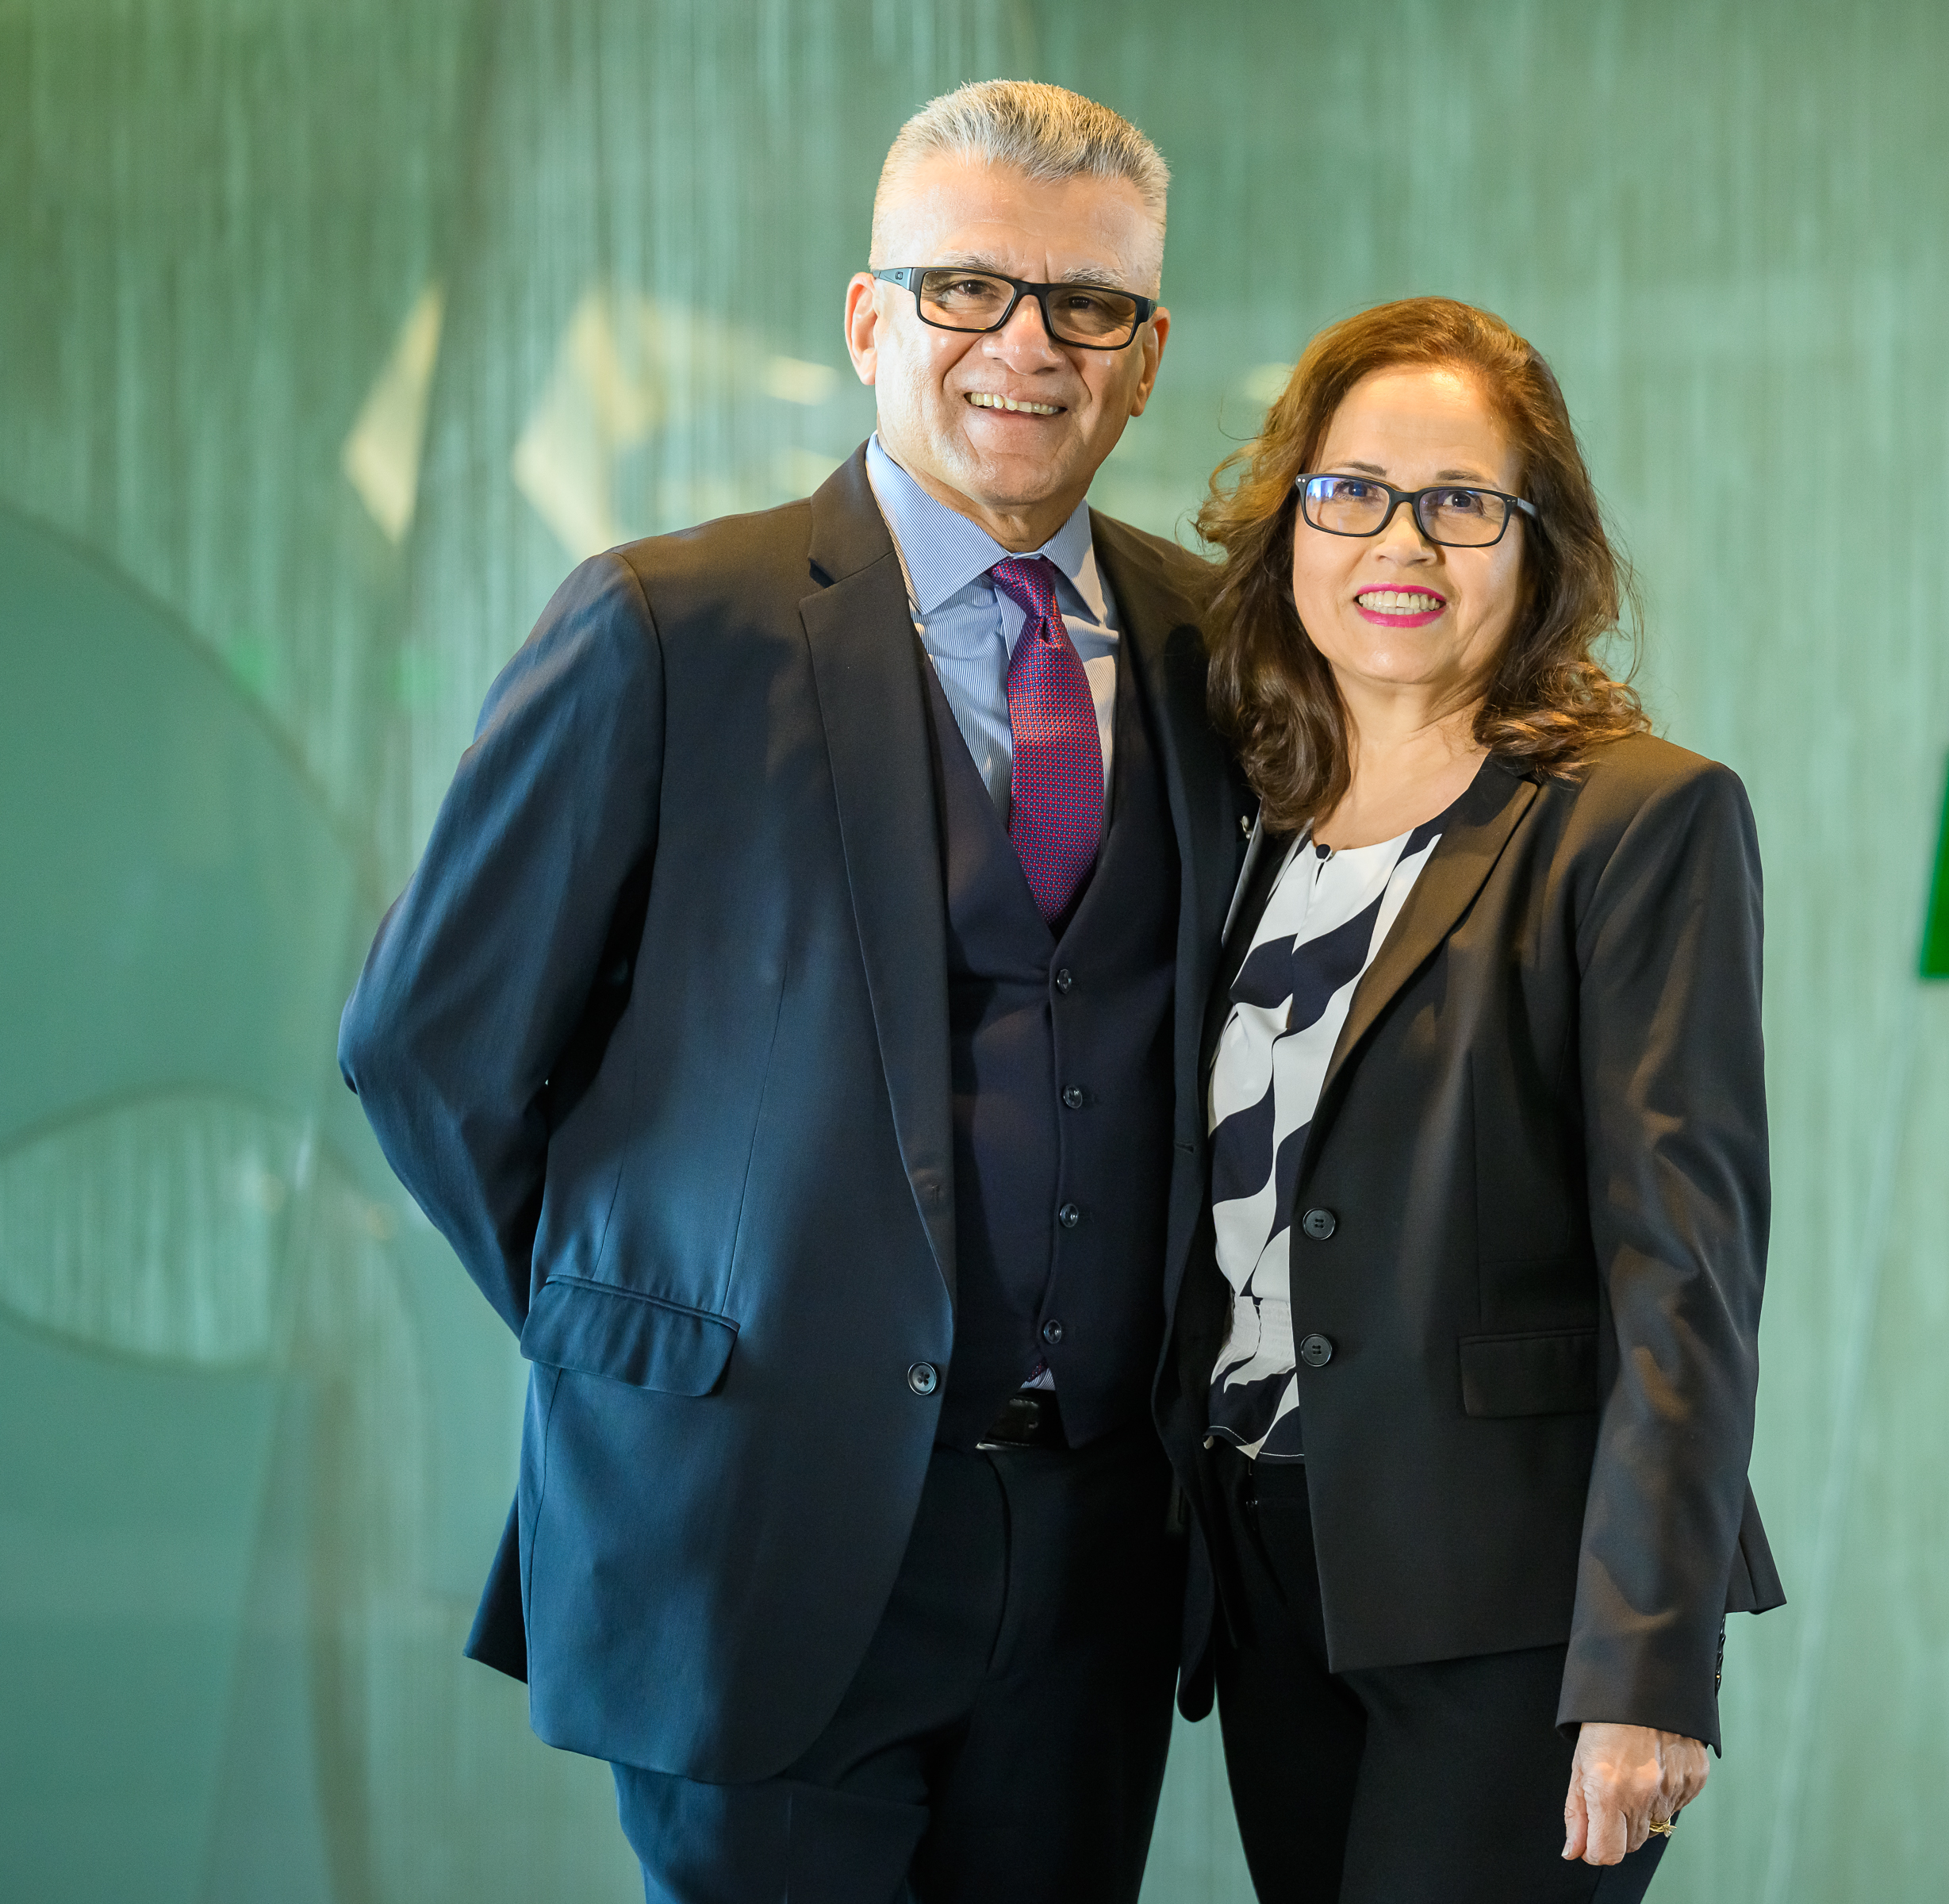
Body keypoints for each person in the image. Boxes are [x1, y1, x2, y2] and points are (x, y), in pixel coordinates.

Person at [338, 82, 1247, 1902]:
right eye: (965, 288)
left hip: (1098, 1552)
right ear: (866, 319)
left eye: (1085, 306)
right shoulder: (667, 625)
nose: (1024, 345)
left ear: (1146, 358)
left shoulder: (1220, 647)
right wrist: (670, 1323)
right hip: (754, 1524)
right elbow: (428, 1047)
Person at [1161, 297, 1784, 1904]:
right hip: (1277, 1572)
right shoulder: (1261, 820)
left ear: (1537, 542)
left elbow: (1684, 1271)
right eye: (1354, 490)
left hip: (1518, 1604)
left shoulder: (1639, 822)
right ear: (1292, 519)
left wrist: (1648, 1660)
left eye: (1463, 503)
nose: (1404, 541)